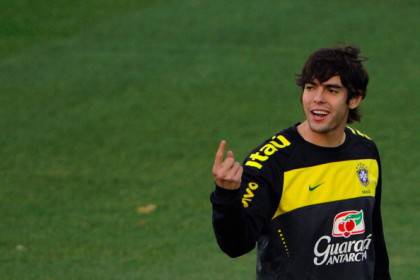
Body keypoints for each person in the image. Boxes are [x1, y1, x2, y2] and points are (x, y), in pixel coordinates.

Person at [210, 46, 391, 280]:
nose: (317, 99)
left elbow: (373, 238)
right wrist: (226, 196)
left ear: (354, 99)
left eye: (331, 90)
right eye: (310, 87)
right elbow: (235, 245)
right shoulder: (270, 163)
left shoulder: (364, 151)